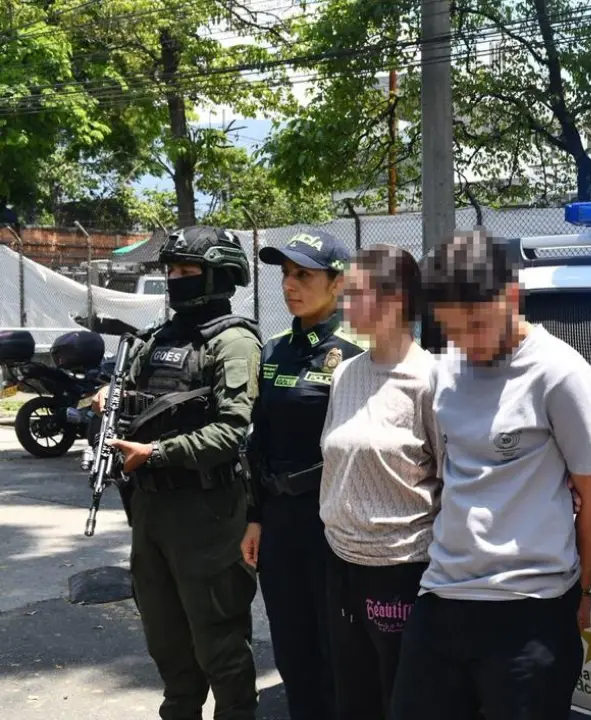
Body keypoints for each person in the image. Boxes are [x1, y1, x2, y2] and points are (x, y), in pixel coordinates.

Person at [390, 229, 591, 720]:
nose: (466, 343)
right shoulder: (447, 371)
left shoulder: (562, 377)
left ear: (511, 296)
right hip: (442, 595)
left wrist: (582, 590)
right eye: (451, 330)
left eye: (476, 324)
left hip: (528, 608)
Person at [101, 225, 263, 720]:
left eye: (187, 271)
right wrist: (105, 407)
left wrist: (156, 454)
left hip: (208, 514)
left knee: (220, 644)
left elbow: (231, 431)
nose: (176, 279)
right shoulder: (154, 342)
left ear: (219, 276)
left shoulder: (233, 342)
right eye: (171, 270)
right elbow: (128, 402)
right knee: (167, 642)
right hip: (150, 512)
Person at [239, 230, 363, 720]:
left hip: (335, 525)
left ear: (338, 284)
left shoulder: (361, 352)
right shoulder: (273, 351)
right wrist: (254, 517)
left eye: (304, 275)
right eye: (287, 274)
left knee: (340, 649)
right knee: (292, 647)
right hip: (280, 521)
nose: (290, 285)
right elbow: (258, 442)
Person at [317, 243, 442, 718]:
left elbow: (452, 484)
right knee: (354, 695)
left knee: (401, 698)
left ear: (393, 301)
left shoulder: (431, 380)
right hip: (340, 563)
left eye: (355, 293)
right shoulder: (345, 373)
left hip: (402, 571)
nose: (345, 304)